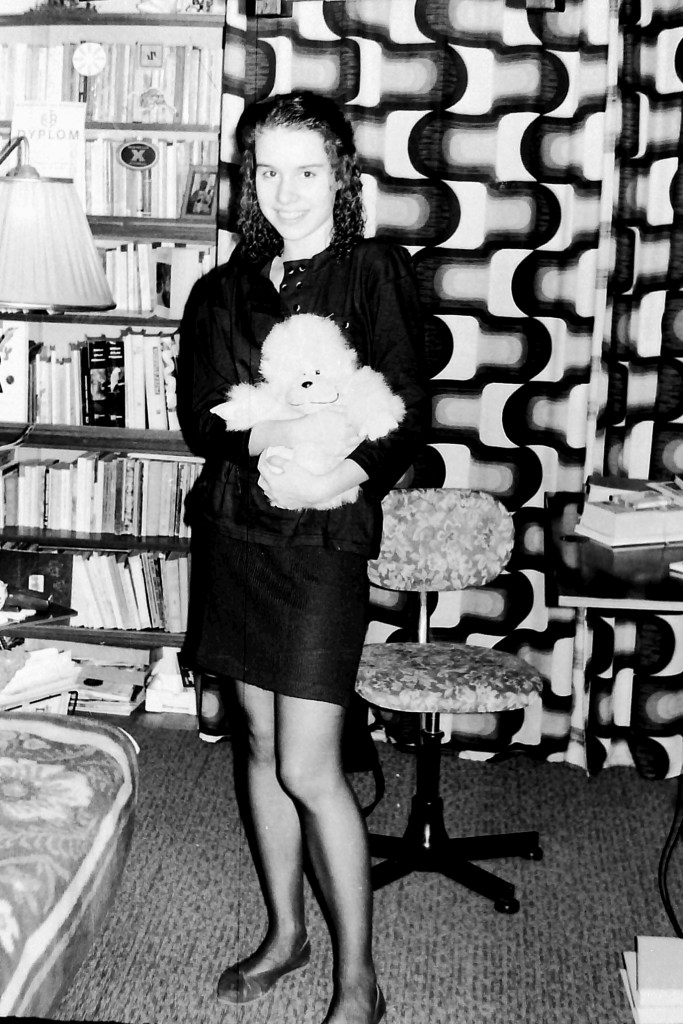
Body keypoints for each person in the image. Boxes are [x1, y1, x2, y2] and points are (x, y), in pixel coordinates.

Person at [179, 90, 428, 1024]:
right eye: (268, 171)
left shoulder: (373, 272)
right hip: (239, 533)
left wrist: (340, 466)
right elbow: (204, 417)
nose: (286, 192)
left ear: (340, 178)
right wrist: (277, 437)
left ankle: (359, 979)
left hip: (323, 542)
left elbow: (407, 407)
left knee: (309, 766)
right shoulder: (221, 289)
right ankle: (286, 933)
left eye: (307, 171)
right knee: (257, 744)